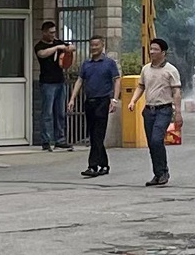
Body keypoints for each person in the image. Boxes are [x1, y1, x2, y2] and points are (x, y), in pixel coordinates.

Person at [127, 38, 183, 186]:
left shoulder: (171, 70)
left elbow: (176, 92)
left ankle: (164, 172)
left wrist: (178, 113)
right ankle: (157, 174)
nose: (152, 52)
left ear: (163, 52)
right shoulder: (146, 69)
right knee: (152, 144)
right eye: (151, 49)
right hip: (149, 110)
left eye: (155, 49)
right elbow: (141, 86)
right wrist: (133, 101)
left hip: (163, 109)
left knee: (157, 140)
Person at [68, 35, 121, 177]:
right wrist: (72, 99)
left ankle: (92, 166)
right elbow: (80, 81)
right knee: (93, 135)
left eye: (96, 45)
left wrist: (114, 99)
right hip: (89, 101)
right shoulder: (86, 64)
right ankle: (104, 165)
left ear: (102, 46)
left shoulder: (109, 63)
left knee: (98, 134)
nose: (94, 48)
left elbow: (117, 80)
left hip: (103, 101)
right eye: (92, 45)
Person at [34, 20, 75, 151]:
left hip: (60, 81)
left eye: (54, 32)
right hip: (47, 83)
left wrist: (67, 48)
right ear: (44, 32)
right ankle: (46, 140)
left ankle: (60, 139)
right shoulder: (39, 46)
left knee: (60, 113)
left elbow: (72, 47)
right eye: (50, 32)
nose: (53, 35)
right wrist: (57, 48)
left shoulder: (59, 42)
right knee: (47, 113)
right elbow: (42, 54)